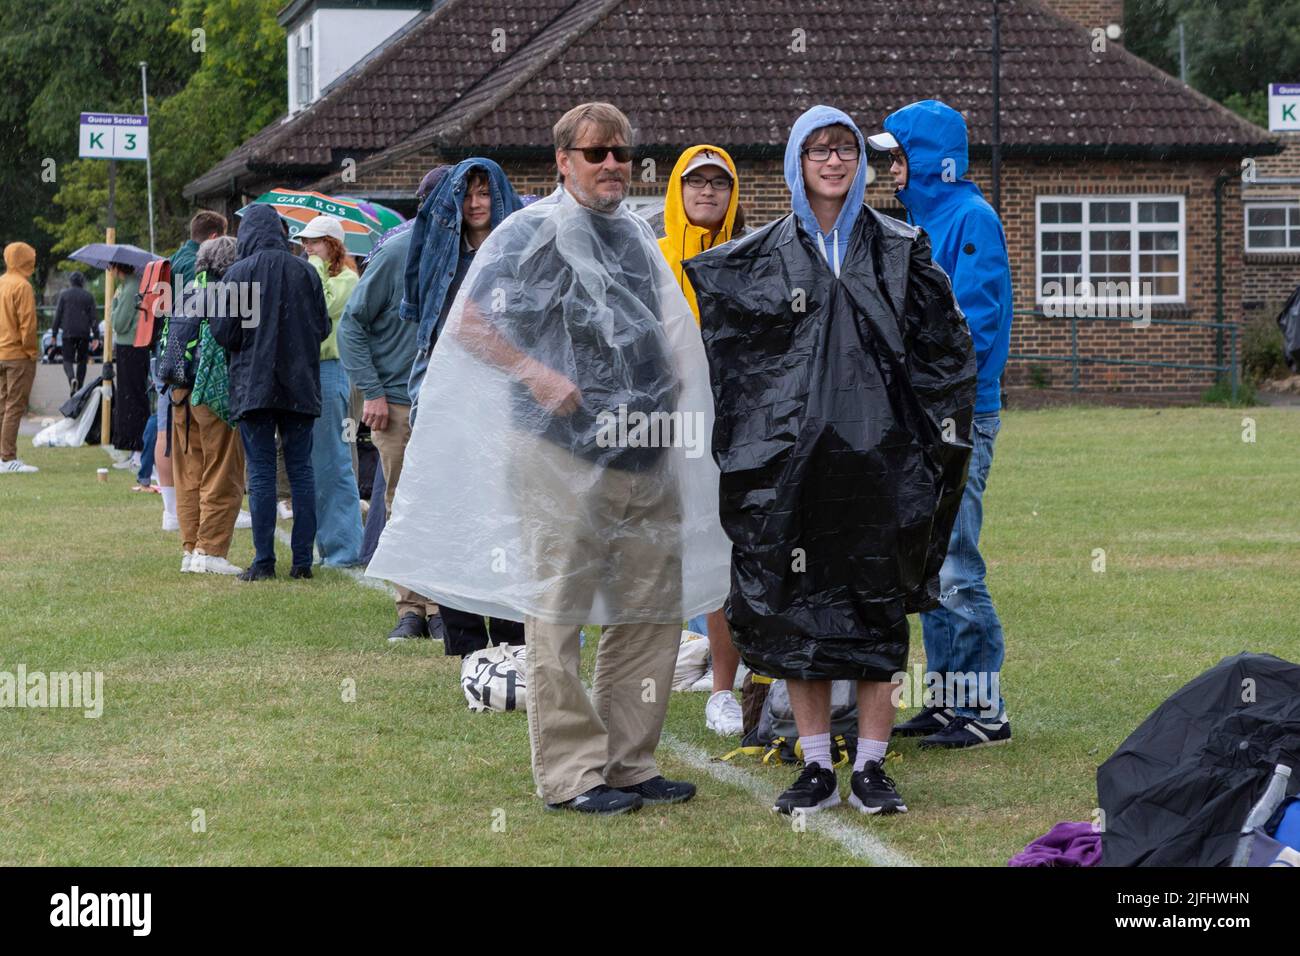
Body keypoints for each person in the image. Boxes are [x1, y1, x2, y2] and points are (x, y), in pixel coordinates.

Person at [366, 102, 730, 814]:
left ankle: (631, 762)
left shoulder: (634, 236)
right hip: (559, 454)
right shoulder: (528, 233)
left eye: (622, 153)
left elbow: (663, 329)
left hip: (644, 450)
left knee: (650, 612)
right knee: (558, 613)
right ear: (563, 160)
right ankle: (572, 775)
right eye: (596, 153)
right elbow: (470, 324)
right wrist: (536, 372)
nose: (612, 165)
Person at [684, 105, 976, 816]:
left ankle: (872, 765)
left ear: (860, 160)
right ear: (796, 161)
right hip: (793, 468)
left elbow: (947, 351)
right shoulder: (760, 257)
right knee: (798, 612)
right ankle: (816, 764)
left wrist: (926, 440)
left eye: (844, 147)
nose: (833, 161)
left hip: (883, 464)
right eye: (818, 150)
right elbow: (732, 360)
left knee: (878, 610)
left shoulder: (901, 248)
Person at [869, 99, 1014, 748]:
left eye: (898, 157)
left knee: (956, 561)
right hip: (922, 414)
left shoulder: (971, 219)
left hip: (958, 415)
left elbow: (974, 326)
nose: (889, 170)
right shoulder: (921, 224)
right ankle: (951, 701)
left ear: (931, 160)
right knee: (929, 563)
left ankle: (984, 709)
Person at [365, 159, 524, 648]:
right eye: (467, 194)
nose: (476, 204)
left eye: (484, 193)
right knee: (454, 516)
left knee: (505, 519)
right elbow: (427, 332)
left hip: (505, 401)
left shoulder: (517, 250)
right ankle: (464, 637)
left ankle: (514, 633)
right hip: (449, 397)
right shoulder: (438, 252)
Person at [657, 144, 746, 736]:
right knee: (660, 555)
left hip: (736, 428)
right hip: (666, 428)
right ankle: (647, 678)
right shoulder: (652, 257)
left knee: (727, 556)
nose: (707, 192)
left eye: (719, 182)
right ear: (677, 191)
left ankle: (723, 685)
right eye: (696, 183)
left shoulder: (750, 255)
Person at [209, 204, 330, 581]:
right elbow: (322, 327)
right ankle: (302, 562)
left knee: (260, 471)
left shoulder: (236, 274)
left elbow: (222, 332)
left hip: (253, 384)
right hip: (299, 383)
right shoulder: (306, 272)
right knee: (301, 470)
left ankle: (264, 561)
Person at [146, 212, 231, 519]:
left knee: (168, 433)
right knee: (185, 440)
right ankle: (181, 512)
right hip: (187, 361)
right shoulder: (195, 268)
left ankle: (172, 508)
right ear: (213, 238)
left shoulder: (171, 260)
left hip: (166, 355)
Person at [170, 235, 247, 575]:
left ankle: (191, 550)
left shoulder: (185, 289)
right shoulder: (227, 292)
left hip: (177, 392)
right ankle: (211, 550)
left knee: (189, 473)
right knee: (222, 472)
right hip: (211, 393)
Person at [296, 215, 364, 568]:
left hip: (332, 372)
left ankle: (344, 549)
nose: (307, 247)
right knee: (316, 463)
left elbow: (319, 307)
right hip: (312, 372)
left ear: (333, 245)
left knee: (334, 463)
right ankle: (330, 545)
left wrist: (315, 267)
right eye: (305, 242)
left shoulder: (348, 279)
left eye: (315, 241)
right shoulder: (321, 272)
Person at [0, 241, 40, 474]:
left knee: (3, 405)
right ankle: (8, 457)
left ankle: (2, 455)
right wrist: (31, 352)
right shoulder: (22, 286)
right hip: (18, 355)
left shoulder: (2, 282)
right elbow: (28, 325)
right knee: (15, 406)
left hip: (1, 353)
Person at [108, 262, 149, 471]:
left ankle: (137, 450)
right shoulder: (135, 284)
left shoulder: (130, 287)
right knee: (135, 397)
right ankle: (136, 450)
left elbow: (118, 322)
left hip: (129, 346)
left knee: (131, 399)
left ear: (117, 268)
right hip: (135, 346)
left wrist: (113, 306)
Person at [51, 271, 98, 395]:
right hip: (83, 333)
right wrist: (96, 336)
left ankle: (72, 378)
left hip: (68, 332)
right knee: (82, 361)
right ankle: (79, 389)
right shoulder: (88, 296)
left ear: (70, 282)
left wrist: (54, 334)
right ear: (82, 282)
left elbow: (58, 315)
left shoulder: (64, 295)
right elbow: (93, 317)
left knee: (67, 360)